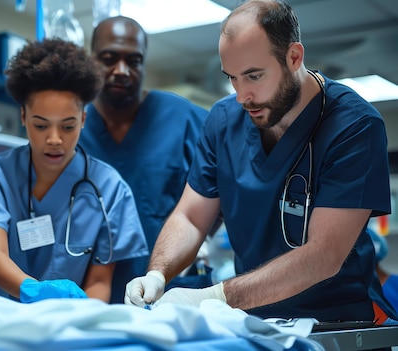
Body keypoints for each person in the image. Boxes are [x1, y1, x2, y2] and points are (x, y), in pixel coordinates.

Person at [124, 0, 398, 324]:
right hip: (251, 325)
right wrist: (158, 274)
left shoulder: (353, 126)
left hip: (335, 324)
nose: (242, 96)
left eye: (253, 76)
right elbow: (192, 217)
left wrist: (216, 296)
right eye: (232, 78)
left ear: (294, 57)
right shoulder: (223, 121)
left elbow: (324, 255)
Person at [0, 38, 148, 303]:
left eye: (67, 126)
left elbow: (99, 282)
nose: (54, 139)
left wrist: (78, 322)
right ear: (23, 117)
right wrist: (35, 292)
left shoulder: (110, 189)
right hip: (2, 324)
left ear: (83, 119)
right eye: (41, 125)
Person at [78, 16, 210, 303]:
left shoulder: (183, 118)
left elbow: (224, 184)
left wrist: (200, 237)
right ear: (91, 61)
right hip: (91, 291)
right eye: (109, 58)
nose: (121, 70)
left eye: (134, 60)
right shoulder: (70, 127)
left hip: (171, 290)